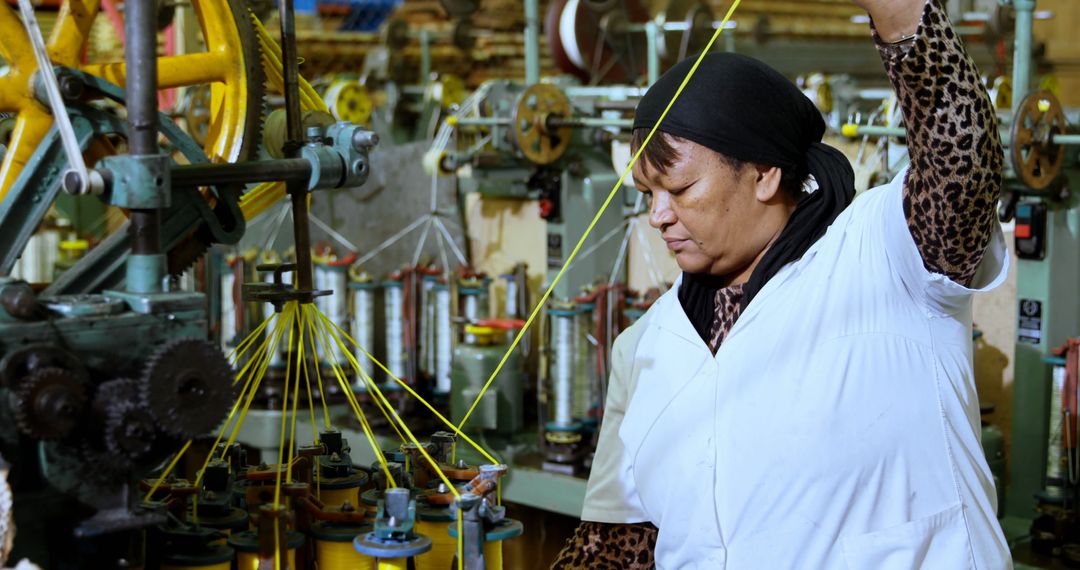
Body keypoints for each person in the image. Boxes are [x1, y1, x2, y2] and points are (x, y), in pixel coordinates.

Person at [552, 0, 1010, 567]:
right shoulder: (644, 347)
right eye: (648, 195)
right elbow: (617, 546)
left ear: (765, 173)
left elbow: (962, 168)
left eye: (680, 188)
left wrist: (900, 12)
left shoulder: (885, 255)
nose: (657, 216)